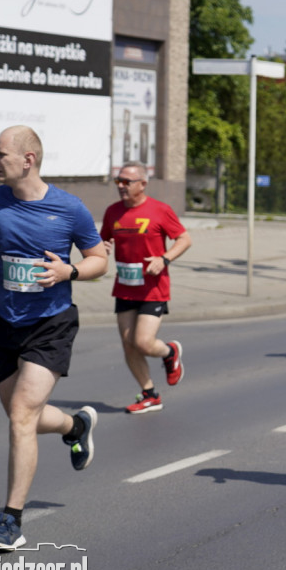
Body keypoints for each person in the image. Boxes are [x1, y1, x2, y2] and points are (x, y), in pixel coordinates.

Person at [0, 125, 108, 549]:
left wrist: (70, 271)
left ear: (28, 159)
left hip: (52, 323)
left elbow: (98, 258)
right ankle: (75, 424)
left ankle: (11, 521)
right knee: (19, 415)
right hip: (5, 322)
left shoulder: (69, 208)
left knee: (22, 416)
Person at [100, 161, 192, 414]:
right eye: (118, 181)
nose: (121, 186)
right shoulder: (113, 212)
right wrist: (102, 248)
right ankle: (149, 394)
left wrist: (164, 259)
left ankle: (169, 351)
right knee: (128, 344)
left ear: (143, 183)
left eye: (126, 182)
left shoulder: (160, 210)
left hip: (153, 288)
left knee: (142, 341)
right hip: (125, 286)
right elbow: (103, 238)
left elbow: (184, 239)